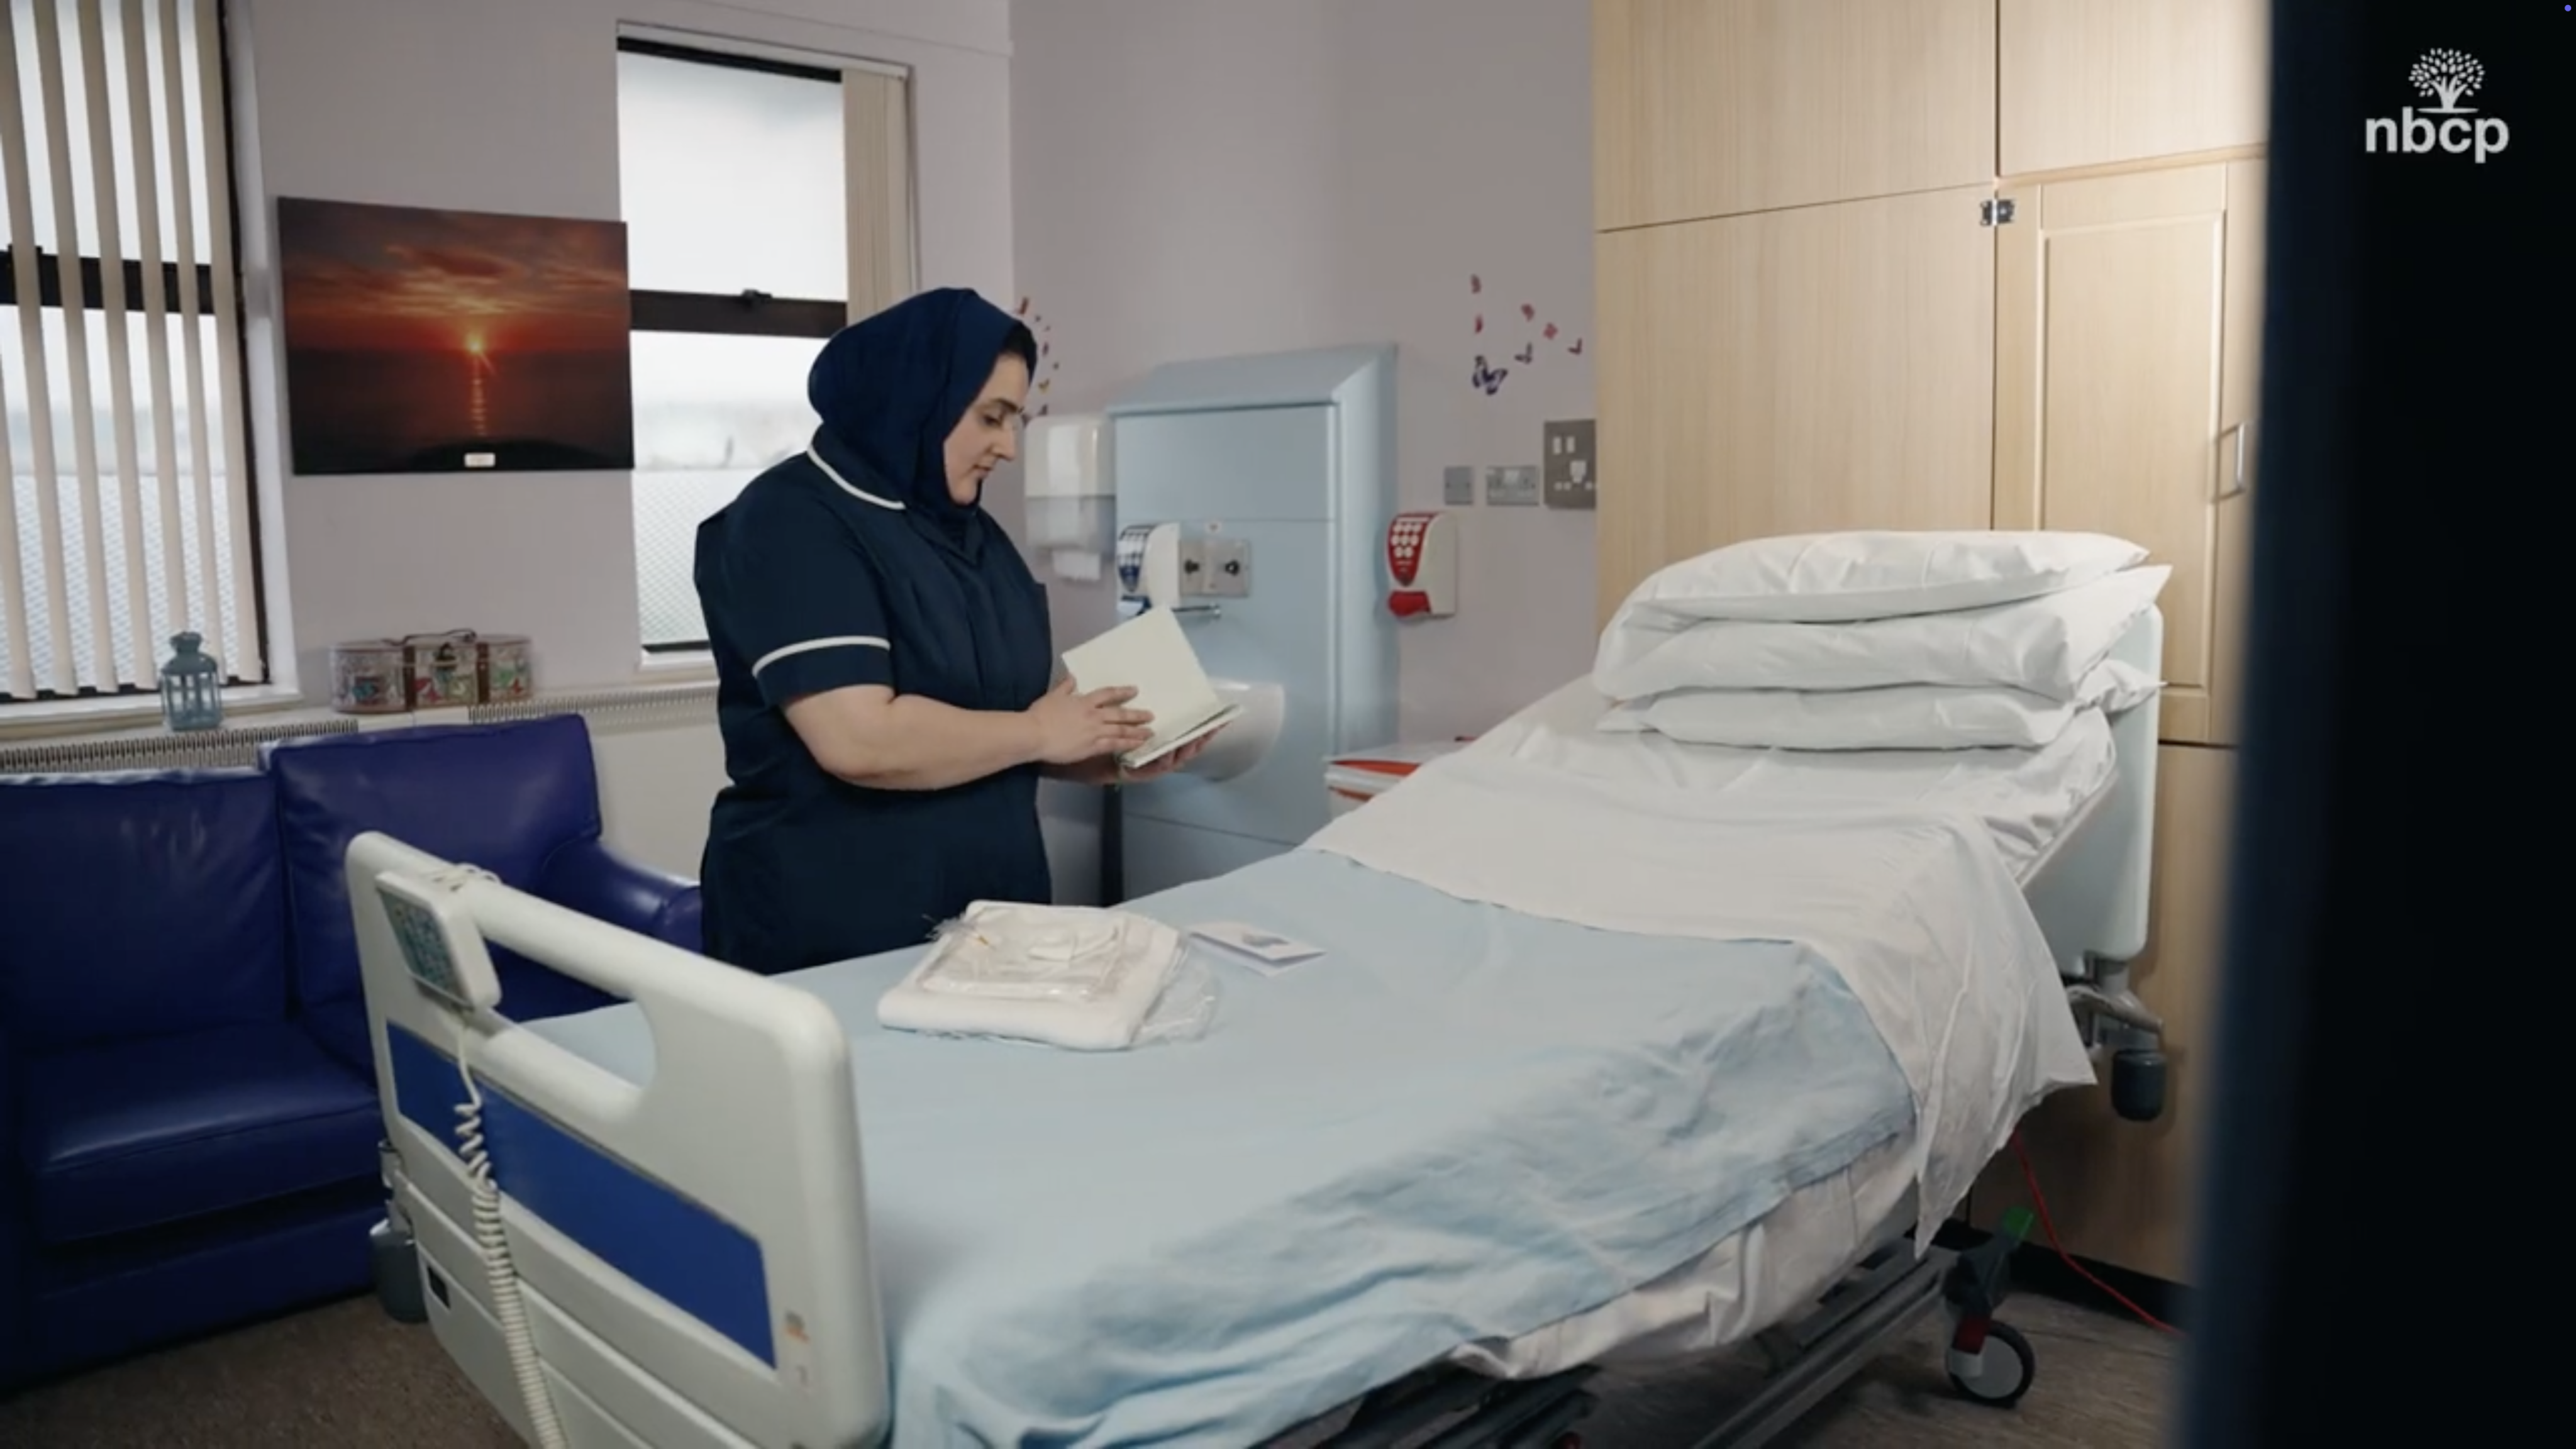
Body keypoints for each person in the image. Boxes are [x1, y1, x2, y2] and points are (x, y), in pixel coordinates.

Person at [691, 287, 1216, 975]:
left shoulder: (974, 535)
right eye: (991, 417)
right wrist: (1039, 733)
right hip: (832, 925)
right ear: (915, 397)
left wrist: (1107, 752)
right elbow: (859, 739)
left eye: (1015, 421)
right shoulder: (791, 521)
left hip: (990, 916)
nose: (1006, 446)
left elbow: (1011, 720)